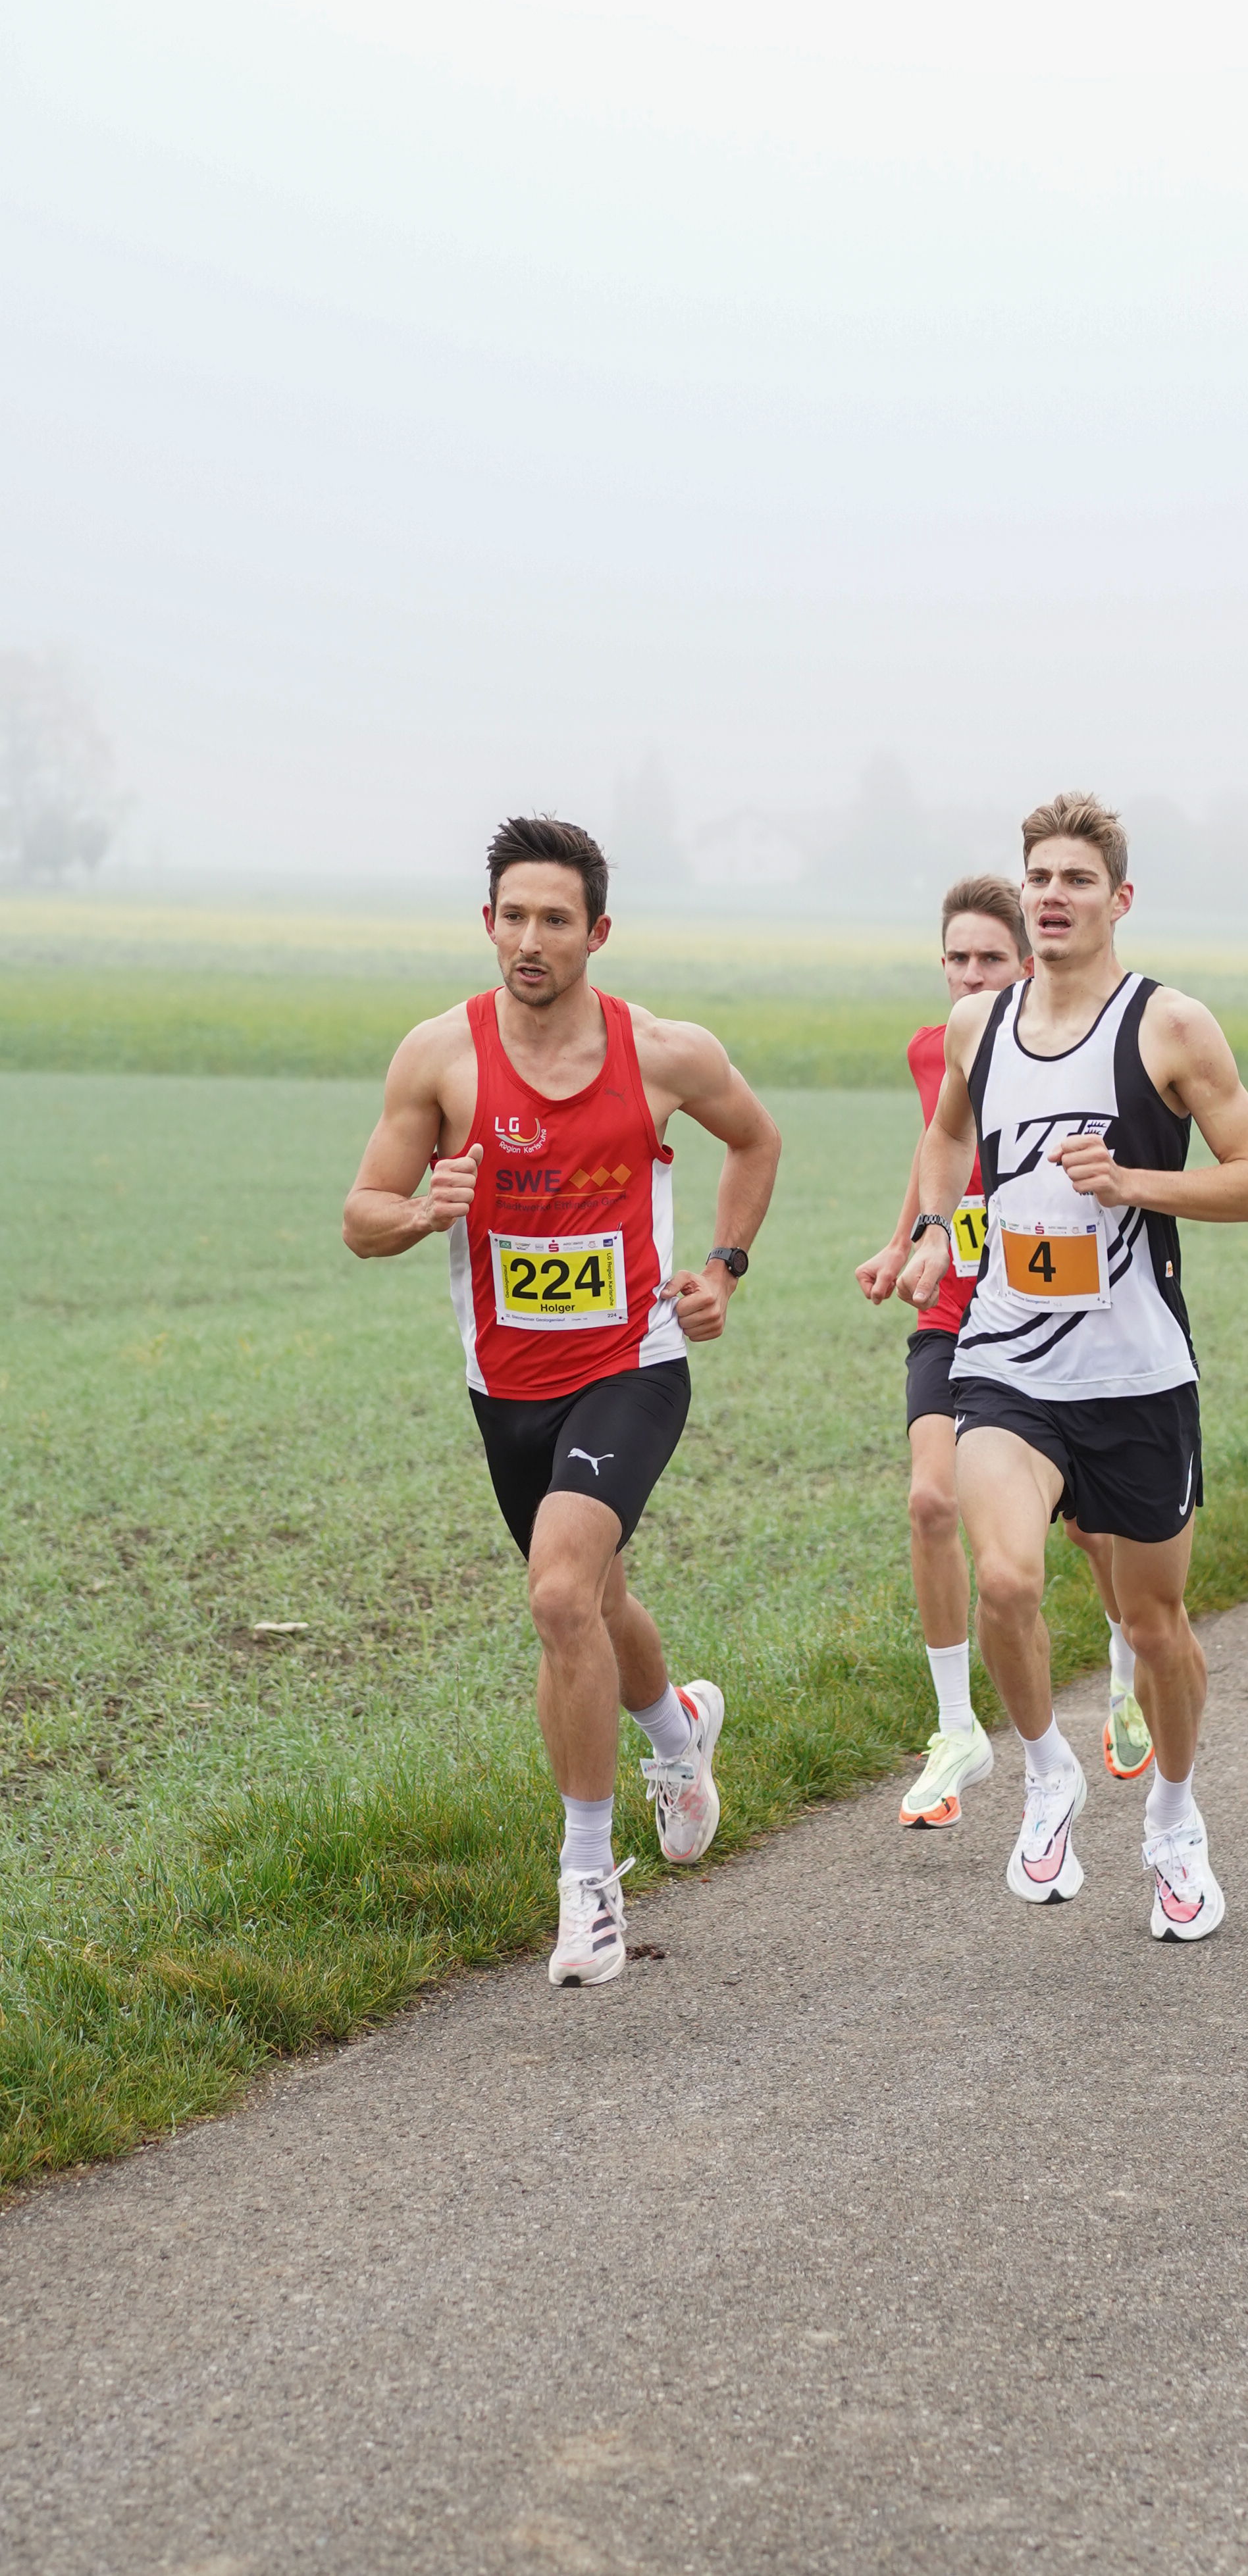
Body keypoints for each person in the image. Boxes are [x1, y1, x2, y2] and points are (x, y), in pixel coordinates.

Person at [343, 815, 781, 1988]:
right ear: (487, 924)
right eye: (513, 917)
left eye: (554, 919)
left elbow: (756, 1141)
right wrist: (423, 1210)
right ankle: (679, 1731)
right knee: (596, 1600)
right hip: (508, 1389)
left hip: (631, 1365)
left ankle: (587, 1882)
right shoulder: (440, 1056)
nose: (530, 939)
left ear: (598, 931)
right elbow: (361, 1219)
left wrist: (723, 1269)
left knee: (556, 1594)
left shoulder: (666, 1053)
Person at [897, 793, 1248, 1942]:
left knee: (1155, 1626)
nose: (1053, 897)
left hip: (1138, 1376)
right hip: (1006, 1360)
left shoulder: (1169, 1027)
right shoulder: (979, 1025)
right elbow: (948, 1134)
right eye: (1039, 879)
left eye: (1075, 880)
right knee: (1008, 1580)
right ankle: (1045, 1771)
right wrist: (934, 1227)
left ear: (1120, 899)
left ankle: (1174, 1816)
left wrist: (1133, 1184)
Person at [856, 877, 1151, 1831]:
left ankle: (1126, 1674)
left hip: (1058, 1318)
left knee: (1093, 1530)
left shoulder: (1079, 1046)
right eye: (957, 958)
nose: (971, 975)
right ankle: (956, 1729)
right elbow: (935, 1145)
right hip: (956, 1312)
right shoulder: (937, 1046)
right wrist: (904, 1240)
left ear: (1027, 963)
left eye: (991, 958)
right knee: (929, 1500)